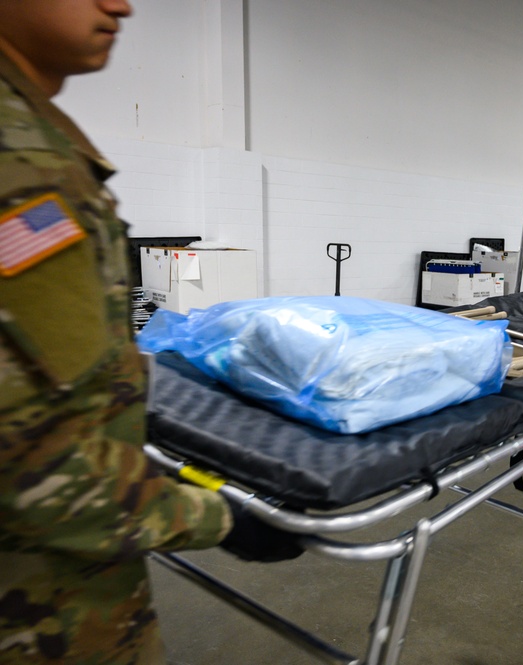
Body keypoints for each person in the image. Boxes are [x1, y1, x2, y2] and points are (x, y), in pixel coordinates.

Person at [0, 3, 301, 663]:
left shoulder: (40, 133)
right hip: (40, 613)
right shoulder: (18, 162)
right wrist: (218, 517)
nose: (122, 3)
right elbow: (32, 467)